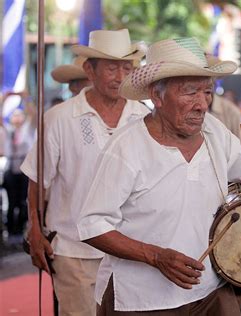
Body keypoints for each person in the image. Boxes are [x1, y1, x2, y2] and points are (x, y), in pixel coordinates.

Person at [76, 37, 241, 315]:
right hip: (143, 298)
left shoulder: (213, 130)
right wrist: (156, 256)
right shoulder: (126, 148)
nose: (202, 104)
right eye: (189, 92)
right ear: (157, 96)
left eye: (207, 92)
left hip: (211, 288)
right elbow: (92, 225)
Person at [20, 29, 148, 316]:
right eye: (111, 68)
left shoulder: (143, 117)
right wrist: (35, 229)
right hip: (74, 249)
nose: (119, 76)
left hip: (131, 250)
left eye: (126, 68)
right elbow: (38, 180)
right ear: (89, 70)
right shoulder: (60, 118)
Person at [4, 108, 35, 242]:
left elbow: (34, 114)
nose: (17, 118)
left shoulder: (27, 130)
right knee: (11, 202)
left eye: (19, 115)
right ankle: (11, 230)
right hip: (11, 168)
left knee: (24, 201)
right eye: (14, 115)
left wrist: (25, 97)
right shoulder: (7, 131)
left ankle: (23, 227)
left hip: (24, 170)